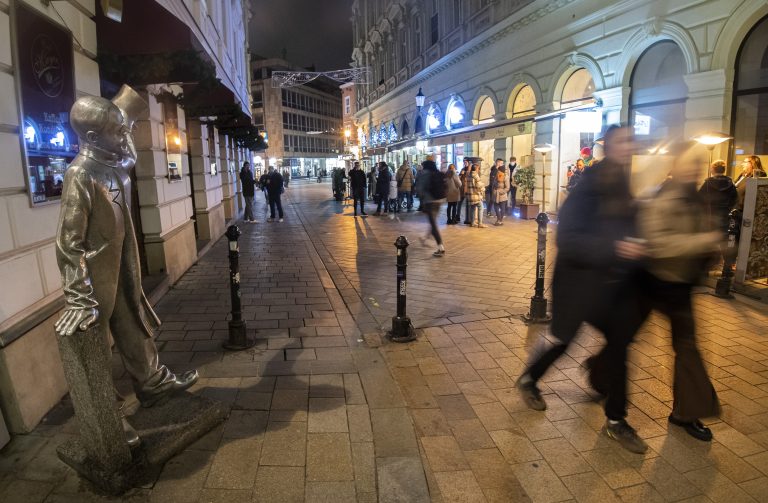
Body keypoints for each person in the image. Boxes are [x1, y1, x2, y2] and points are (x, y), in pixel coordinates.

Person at [56, 93, 198, 445]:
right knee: (96, 344)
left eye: (124, 131)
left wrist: (127, 105)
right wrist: (79, 296)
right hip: (96, 276)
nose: (125, 138)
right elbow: (68, 242)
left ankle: (153, 384)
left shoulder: (116, 160)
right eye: (117, 132)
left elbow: (130, 149)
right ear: (92, 138)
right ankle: (110, 416)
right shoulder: (80, 174)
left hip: (123, 266)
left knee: (133, 323)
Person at [516, 125, 649, 454]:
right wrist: (616, 247)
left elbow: (628, 227)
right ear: (609, 146)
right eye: (623, 141)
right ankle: (530, 379)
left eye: (631, 141)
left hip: (609, 285)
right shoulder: (590, 183)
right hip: (577, 283)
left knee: (620, 345)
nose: (629, 146)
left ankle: (616, 420)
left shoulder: (624, 182)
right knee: (563, 340)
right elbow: (568, 238)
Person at [636, 141, 722, 441]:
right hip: (652, 282)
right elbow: (658, 243)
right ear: (676, 165)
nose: (696, 169)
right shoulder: (663, 197)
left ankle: (685, 413)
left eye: (699, 164)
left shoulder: (694, 197)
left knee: (687, 348)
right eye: (691, 163)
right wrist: (703, 242)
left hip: (679, 286)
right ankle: (602, 379)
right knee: (623, 337)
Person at [698, 160, 737, 234]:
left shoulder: (708, 183)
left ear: (713, 169)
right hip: (724, 214)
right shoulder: (730, 183)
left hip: (709, 215)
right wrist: (728, 209)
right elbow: (734, 199)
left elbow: (700, 198)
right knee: (722, 235)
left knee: (709, 235)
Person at [421, 157, 446, 256]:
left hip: (430, 201)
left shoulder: (426, 174)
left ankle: (440, 247)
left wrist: (422, 200)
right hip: (439, 200)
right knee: (433, 222)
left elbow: (420, 189)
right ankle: (426, 238)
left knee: (433, 224)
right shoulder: (438, 173)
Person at [467, 163, 486, 228]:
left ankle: (472, 223)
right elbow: (479, 185)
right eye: (478, 168)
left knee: (473, 208)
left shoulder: (469, 175)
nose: (479, 170)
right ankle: (480, 223)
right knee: (481, 207)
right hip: (476, 195)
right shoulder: (475, 175)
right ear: (476, 169)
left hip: (470, 195)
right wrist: (483, 187)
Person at [460, 159, 471, 224]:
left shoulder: (470, 169)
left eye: (466, 162)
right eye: (464, 162)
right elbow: (459, 177)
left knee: (468, 204)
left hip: (468, 188)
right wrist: (461, 174)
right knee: (460, 202)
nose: (465, 163)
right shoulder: (463, 169)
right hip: (463, 188)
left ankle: (468, 219)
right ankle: (458, 216)